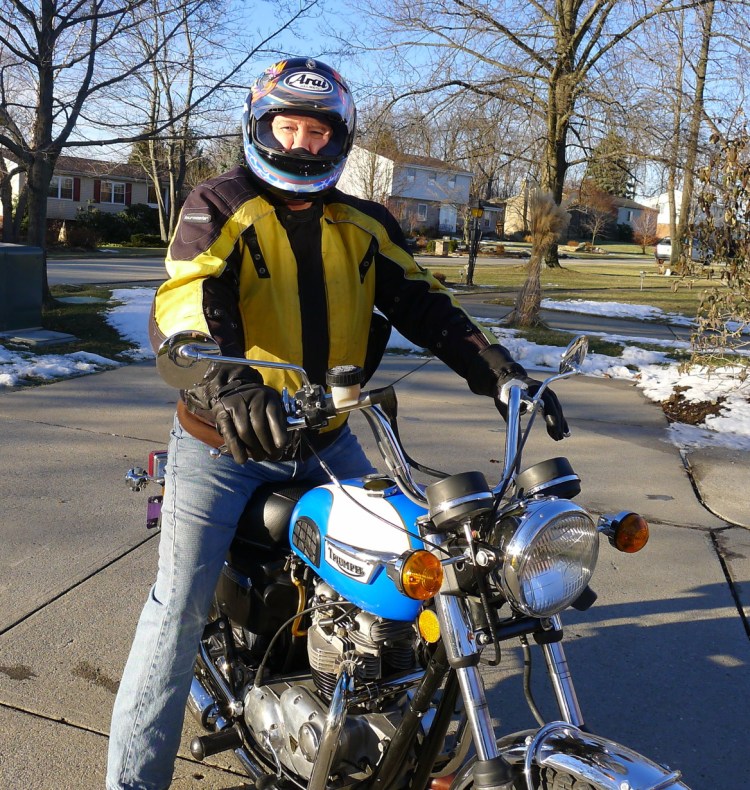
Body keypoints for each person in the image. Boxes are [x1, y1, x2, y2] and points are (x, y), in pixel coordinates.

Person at [106, 57, 567, 790]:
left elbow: (423, 301)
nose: (302, 142)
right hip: (224, 443)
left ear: (340, 138)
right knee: (176, 618)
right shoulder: (219, 203)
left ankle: (371, 727)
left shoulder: (363, 222)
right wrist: (229, 384)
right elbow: (187, 297)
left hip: (327, 440)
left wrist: (498, 371)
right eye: (287, 126)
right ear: (260, 128)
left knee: (413, 576)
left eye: (317, 131)